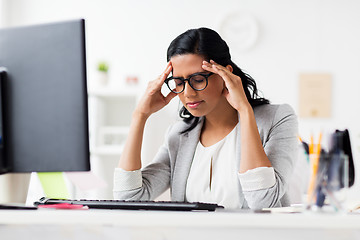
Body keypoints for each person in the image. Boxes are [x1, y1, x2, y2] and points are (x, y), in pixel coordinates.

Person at [113, 27, 298, 209]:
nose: (188, 93)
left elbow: (263, 202)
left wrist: (244, 110)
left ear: (225, 73)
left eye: (198, 79)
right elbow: (128, 197)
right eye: (178, 83)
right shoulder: (178, 136)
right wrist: (139, 116)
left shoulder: (277, 119)